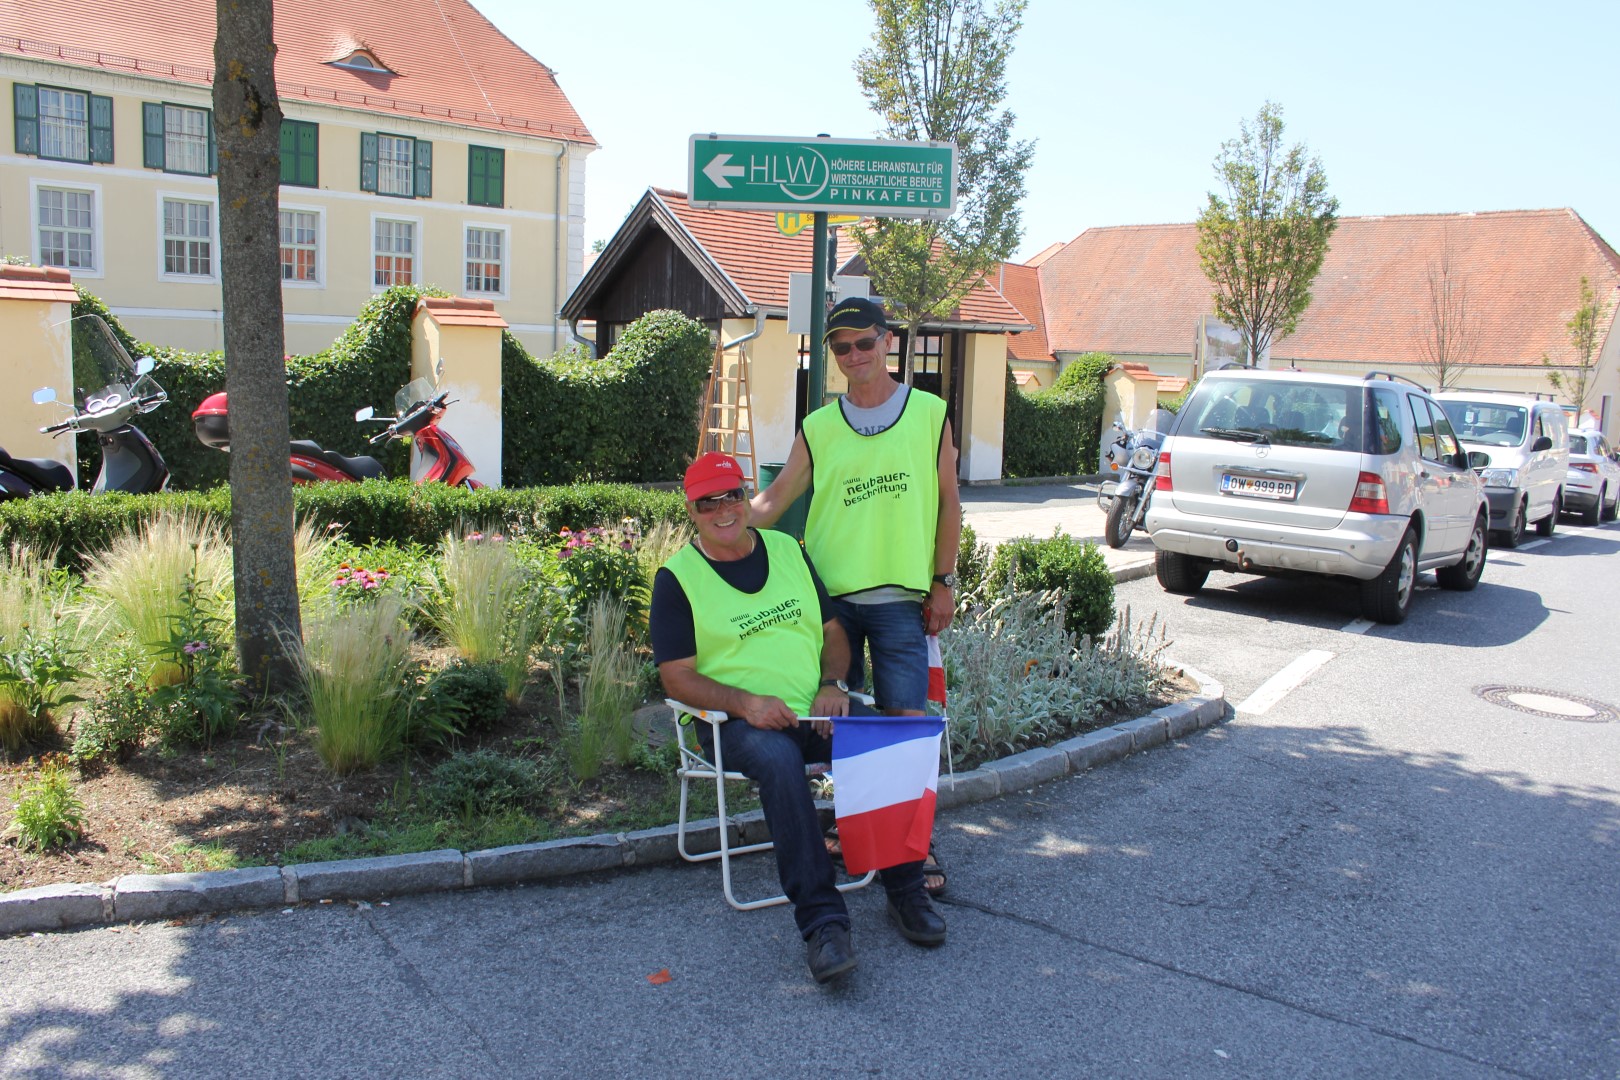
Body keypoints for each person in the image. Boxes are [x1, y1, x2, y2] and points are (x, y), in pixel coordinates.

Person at [652, 451, 947, 985]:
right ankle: (823, 923)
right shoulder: (677, 579)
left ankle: (904, 890)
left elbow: (834, 633)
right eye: (707, 502)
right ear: (691, 510)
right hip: (732, 724)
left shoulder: (787, 549)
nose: (723, 509)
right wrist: (747, 704)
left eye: (732, 495)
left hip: (810, 708)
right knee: (779, 758)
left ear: (745, 496)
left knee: (887, 738)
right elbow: (676, 678)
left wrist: (831, 684)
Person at [750, 296, 961, 896]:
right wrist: (720, 521)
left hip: (900, 603)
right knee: (829, 722)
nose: (852, 356)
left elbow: (949, 504)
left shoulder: (929, 413)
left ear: (886, 341)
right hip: (829, 606)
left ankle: (912, 850)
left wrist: (943, 580)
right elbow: (775, 499)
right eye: (840, 348)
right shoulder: (818, 427)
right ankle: (853, 828)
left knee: (903, 726)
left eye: (863, 343)